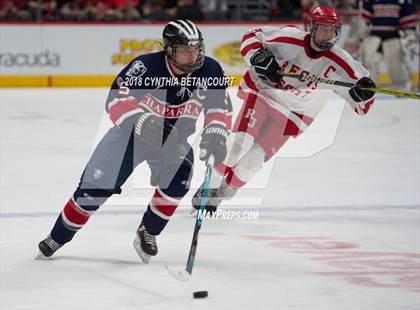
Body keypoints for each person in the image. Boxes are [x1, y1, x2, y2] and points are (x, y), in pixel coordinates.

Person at [38, 19, 232, 263]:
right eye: (185, 50)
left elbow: (220, 107)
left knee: (178, 181)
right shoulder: (146, 66)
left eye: (196, 49)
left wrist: (216, 132)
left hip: (173, 141)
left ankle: (148, 232)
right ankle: (58, 236)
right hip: (129, 137)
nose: (192, 56)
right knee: (92, 191)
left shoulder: (211, 71)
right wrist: (140, 121)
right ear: (169, 49)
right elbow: (117, 98)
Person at [192, 6, 376, 212]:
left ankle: (221, 193)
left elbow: (362, 101)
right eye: (322, 28)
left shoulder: (342, 63)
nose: (326, 34)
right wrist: (259, 58)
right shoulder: (289, 38)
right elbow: (251, 37)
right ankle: (210, 186)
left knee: (251, 163)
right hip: (264, 94)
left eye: (331, 29)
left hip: (293, 115)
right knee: (239, 144)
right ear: (312, 27)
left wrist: (364, 94)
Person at [357, 0, 417, 90]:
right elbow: (364, 20)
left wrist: (410, 35)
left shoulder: (402, 1)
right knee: (370, 63)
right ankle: (368, 88)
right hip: (374, 36)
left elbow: (408, 22)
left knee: (396, 65)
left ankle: (403, 89)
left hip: (393, 36)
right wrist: (359, 36)